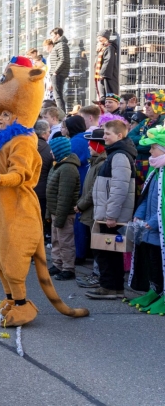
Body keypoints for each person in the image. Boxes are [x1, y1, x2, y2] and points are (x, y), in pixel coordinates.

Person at [86, 120, 137, 300]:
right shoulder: (115, 153)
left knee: (107, 252)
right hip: (109, 213)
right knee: (109, 252)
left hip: (112, 215)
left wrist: (111, 215)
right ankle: (113, 287)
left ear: (119, 135)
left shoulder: (120, 156)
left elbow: (119, 188)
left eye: (108, 134)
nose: (104, 137)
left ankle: (109, 287)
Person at [128, 126, 165, 315]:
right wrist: (139, 214)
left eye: (153, 148)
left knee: (160, 262)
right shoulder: (155, 171)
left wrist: (154, 221)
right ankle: (155, 290)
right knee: (153, 263)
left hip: (158, 229)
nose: (150, 151)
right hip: (150, 231)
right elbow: (146, 196)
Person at [74, 128, 108, 289]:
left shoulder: (101, 164)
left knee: (99, 246)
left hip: (96, 210)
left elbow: (95, 189)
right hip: (90, 209)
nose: (88, 146)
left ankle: (98, 275)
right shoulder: (94, 163)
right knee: (95, 244)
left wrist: (81, 205)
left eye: (91, 143)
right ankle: (96, 273)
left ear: (99, 145)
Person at [46, 136, 81, 281]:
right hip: (56, 211)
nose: (50, 152)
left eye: (52, 150)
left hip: (64, 213)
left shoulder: (68, 168)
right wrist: (49, 213)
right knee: (56, 240)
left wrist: (59, 217)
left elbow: (65, 196)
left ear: (59, 151)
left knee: (65, 242)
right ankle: (58, 264)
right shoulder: (58, 165)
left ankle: (68, 268)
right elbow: (51, 192)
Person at [129, 91, 165, 189]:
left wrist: (138, 143)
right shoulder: (145, 121)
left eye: (149, 103)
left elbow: (151, 146)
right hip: (138, 164)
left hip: (153, 166)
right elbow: (129, 137)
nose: (146, 106)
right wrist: (145, 138)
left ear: (159, 105)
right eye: (145, 103)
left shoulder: (163, 123)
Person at [34, 120, 53, 245]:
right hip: (42, 191)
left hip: (27, 188)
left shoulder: (26, 145)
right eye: (48, 132)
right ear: (45, 133)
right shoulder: (49, 149)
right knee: (40, 218)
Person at [48, 27, 70, 111]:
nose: (51, 37)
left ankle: (62, 114)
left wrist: (55, 72)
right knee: (57, 96)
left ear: (57, 35)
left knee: (58, 96)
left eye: (52, 35)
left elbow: (63, 59)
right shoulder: (58, 45)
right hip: (57, 73)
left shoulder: (61, 45)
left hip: (58, 74)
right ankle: (61, 113)